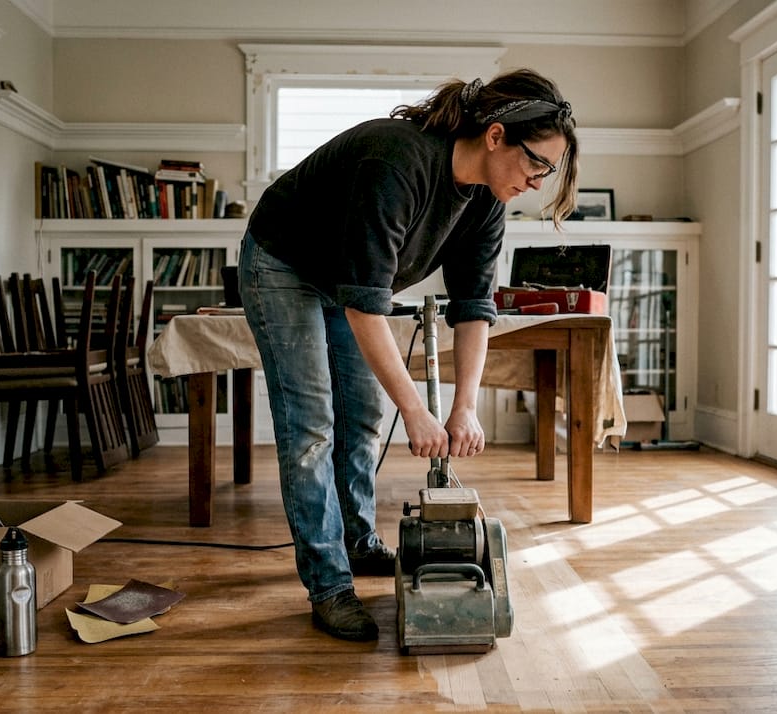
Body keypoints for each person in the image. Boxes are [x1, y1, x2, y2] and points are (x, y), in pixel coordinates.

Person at [237, 68, 579, 641]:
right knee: (312, 424)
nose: (539, 181)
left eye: (548, 170)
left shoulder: (487, 202)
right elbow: (366, 309)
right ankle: (329, 585)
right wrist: (417, 412)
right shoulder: (397, 162)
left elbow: (473, 309)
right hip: (283, 262)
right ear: (495, 136)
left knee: (363, 413)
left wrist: (463, 408)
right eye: (537, 164)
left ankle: (358, 542)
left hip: (342, 280)